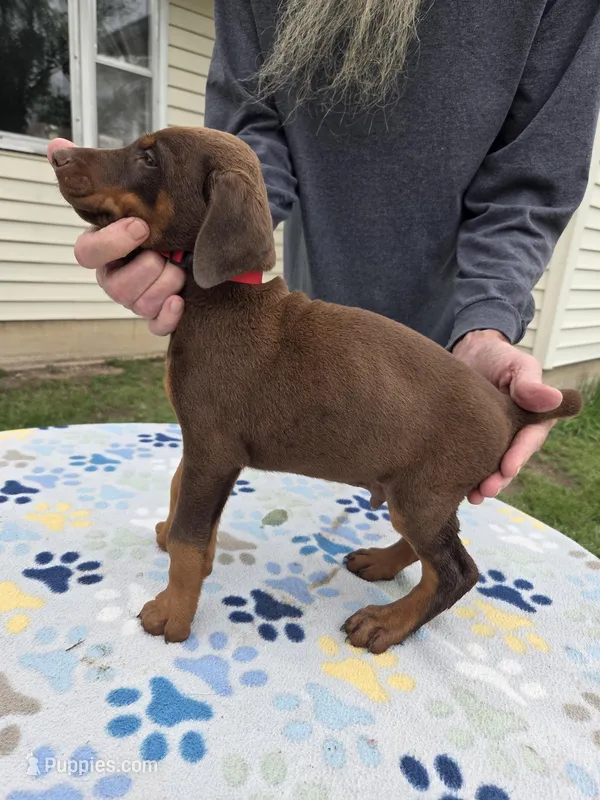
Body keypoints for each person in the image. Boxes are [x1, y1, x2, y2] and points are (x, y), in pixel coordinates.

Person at [48, 0, 600, 504]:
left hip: (454, 334)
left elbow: (526, 182)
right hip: (301, 316)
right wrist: (206, 233)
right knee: (288, 471)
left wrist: (486, 323)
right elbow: (252, 129)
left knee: (414, 491)